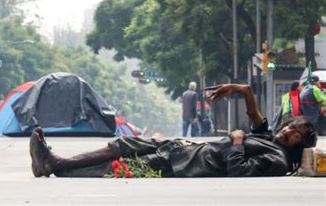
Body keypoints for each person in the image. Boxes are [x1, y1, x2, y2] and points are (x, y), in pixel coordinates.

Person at [29, 84, 318, 178]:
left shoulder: (278, 161)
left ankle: (54, 165)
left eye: (296, 133)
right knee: (124, 145)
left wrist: (239, 141)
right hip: (185, 148)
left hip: (189, 164)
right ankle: (54, 162)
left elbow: (239, 170)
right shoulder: (268, 138)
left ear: (300, 143)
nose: (288, 130)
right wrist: (240, 89)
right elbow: (254, 112)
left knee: (124, 167)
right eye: (291, 125)